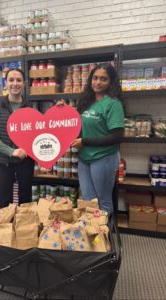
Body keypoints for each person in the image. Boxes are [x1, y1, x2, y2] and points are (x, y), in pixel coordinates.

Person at [60, 63, 124, 213]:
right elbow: (76, 125)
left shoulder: (113, 104)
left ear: (111, 82)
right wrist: (63, 110)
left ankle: (107, 235)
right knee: (88, 200)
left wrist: (85, 141)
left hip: (104, 158)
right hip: (85, 158)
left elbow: (116, 137)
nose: (98, 82)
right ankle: (94, 234)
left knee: (103, 201)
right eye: (95, 78)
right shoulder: (87, 101)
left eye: (103, 79)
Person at [0, 68, 34, 208]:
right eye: (11, 80)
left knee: (26, 198)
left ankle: (24, 228)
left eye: (19, 80)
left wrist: (59, 110)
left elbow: (36, 134)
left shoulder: (29, 108)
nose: (15, 83)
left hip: (25, 160)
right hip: (3, 161)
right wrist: (11, 151)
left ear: (24, 84)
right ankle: (5, 229)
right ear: (5, 83)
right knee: (5, 199)